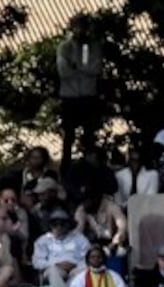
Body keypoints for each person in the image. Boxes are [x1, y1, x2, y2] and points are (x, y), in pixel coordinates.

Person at [57, 14, 103, 172]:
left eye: (83, 26)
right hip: (69, 96)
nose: (80, 30)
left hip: (89, 95)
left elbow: (96, 68)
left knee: (89, 135)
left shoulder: (94, 46)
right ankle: (66, 168)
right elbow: (64, 71)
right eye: (77, 26)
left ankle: (89, 168)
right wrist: (83, 70)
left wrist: (78, 67)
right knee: (68, 135)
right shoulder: (65, 47)